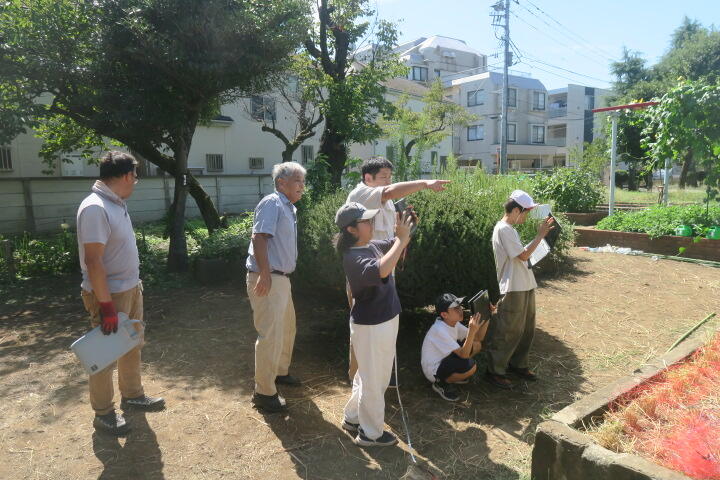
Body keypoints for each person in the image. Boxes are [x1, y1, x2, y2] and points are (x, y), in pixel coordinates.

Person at [76, 151, 165, 436]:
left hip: (129, 287)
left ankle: (133, 395)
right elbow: (93, 261)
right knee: (104, 354)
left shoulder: (115, 203)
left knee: (131, 343)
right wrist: (106, 307)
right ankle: (103, 413)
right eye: (135, 177)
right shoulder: (95, 207)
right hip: (109, 295)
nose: (135, 182)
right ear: (127, 176)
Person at [345, 156, 450, 383]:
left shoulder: (388, 201)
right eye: (383, 177)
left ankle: (380, 376)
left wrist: (406, 229)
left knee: (383, 326)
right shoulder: (360, 194)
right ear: (367, 178)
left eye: (390, 177)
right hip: (366, 273)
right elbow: (388, 192)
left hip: (385, 270)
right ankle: (359, 380)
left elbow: (394, 235)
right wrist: (425, 183)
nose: (388, 181)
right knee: (363, 329)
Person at [335, 202, 416, 447]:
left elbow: (395, 247)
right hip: (372, 326)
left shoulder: (370, 246)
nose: (371, 224)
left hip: (382, 320)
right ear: (351, 229)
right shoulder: (352, 257)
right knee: (375, 379)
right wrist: (401, 239)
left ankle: (353, 418)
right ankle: (370, 434)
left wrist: (407, 228)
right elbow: (382, 270)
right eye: (366, 221)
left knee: (367, 375)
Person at [246, 161, 306, 413]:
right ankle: (264, 392)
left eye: (303, 181)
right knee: (270, 334)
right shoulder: (272, 202)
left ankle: (279, 372)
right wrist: (265, 274)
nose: (302, 186)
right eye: (298, 181)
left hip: (281, 279)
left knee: (287, 328)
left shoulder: (287, 207)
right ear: (281, 183)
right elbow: (259, 237)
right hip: (269, 277)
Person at [485, 190, 554, 389]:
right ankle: (495, 371)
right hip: (513, 286)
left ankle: (518, 364)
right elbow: (523, 256)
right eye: (526, 212)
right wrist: (540, 236)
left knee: (526, 328)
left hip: (524, 283)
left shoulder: (509, 229)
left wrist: (538, 243)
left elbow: (522, 255)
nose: (527, 216)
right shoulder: (504, 229)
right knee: (509, 329)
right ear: (516, 210)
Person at [421, 293, 490, 402]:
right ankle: (440, 383)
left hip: (445, 360)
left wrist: (487, 316)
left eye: (459, 306)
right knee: (471, 367)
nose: (460, 310)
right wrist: (471, 331)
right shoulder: (439, 330)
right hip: (434, 371)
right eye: (455, 308)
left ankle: (454, 375)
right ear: (444, 314)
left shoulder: (453, 323)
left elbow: (478, 338)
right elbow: (464, 355)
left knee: (477, 345)